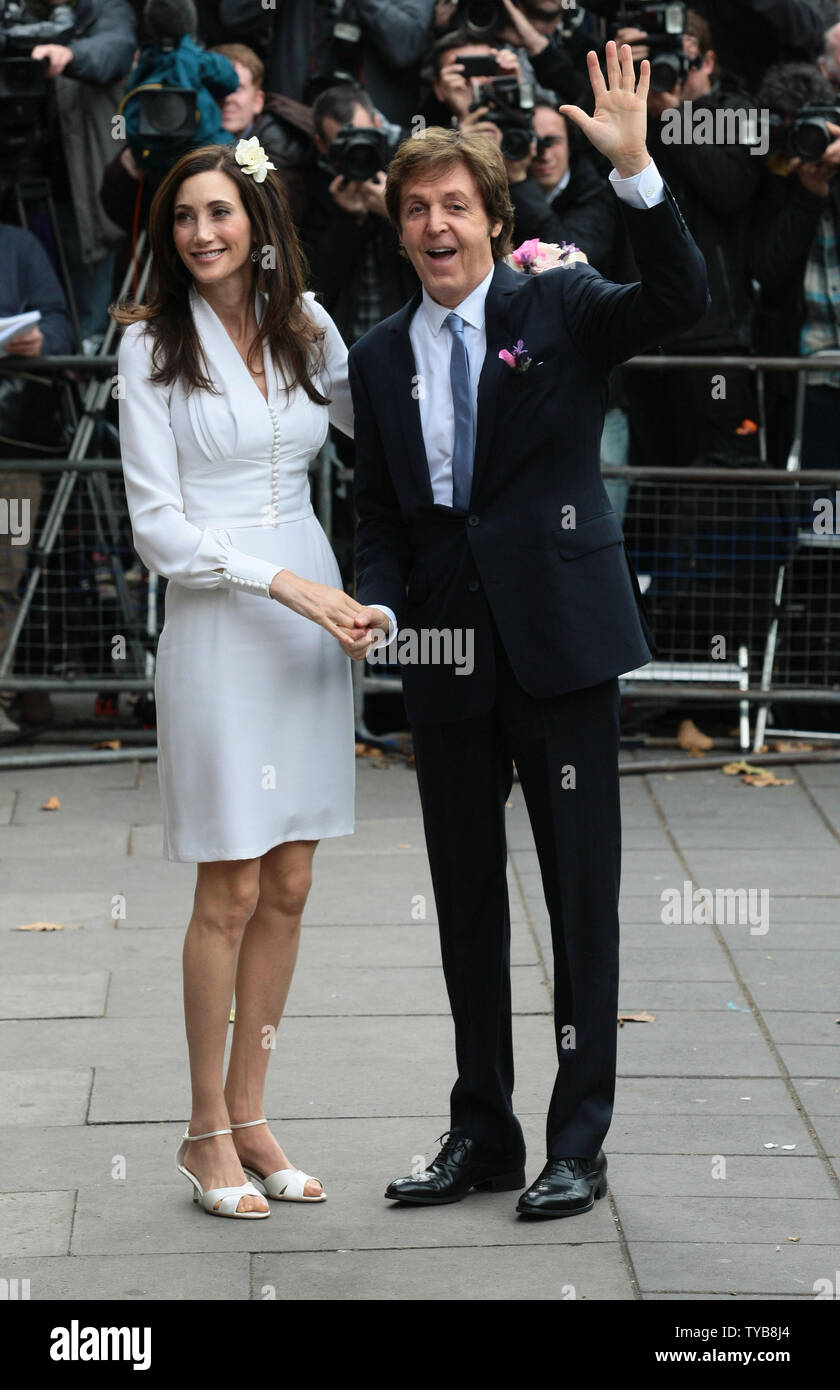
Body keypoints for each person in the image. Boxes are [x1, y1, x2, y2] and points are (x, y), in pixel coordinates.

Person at [346, 43, 708, 1216]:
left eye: (456, 205)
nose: (436, 226)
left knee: (577, 898)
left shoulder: (559, 301)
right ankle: (481, 1130)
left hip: (559, 639)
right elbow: (380, 517)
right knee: (463, 900)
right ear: (399, 231)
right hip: (443, 651)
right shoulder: (378, 354)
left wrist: (640, 169)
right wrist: (381, 606)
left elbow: (679, 303)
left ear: (495, 218)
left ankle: (577, 1141)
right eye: (417, 210)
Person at [113, 139, 369, 1218]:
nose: (201, 233)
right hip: (224, 621)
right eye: (183, 217)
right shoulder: (146, 349)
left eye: (220, 212)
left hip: (314, 609)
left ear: (259, 222)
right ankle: (201, 1128)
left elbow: (387, 432)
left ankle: (253, 1108)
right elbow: (160, 533)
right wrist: (287, 586)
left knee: (293, 880)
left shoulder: (310, 327)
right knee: (229, 885)